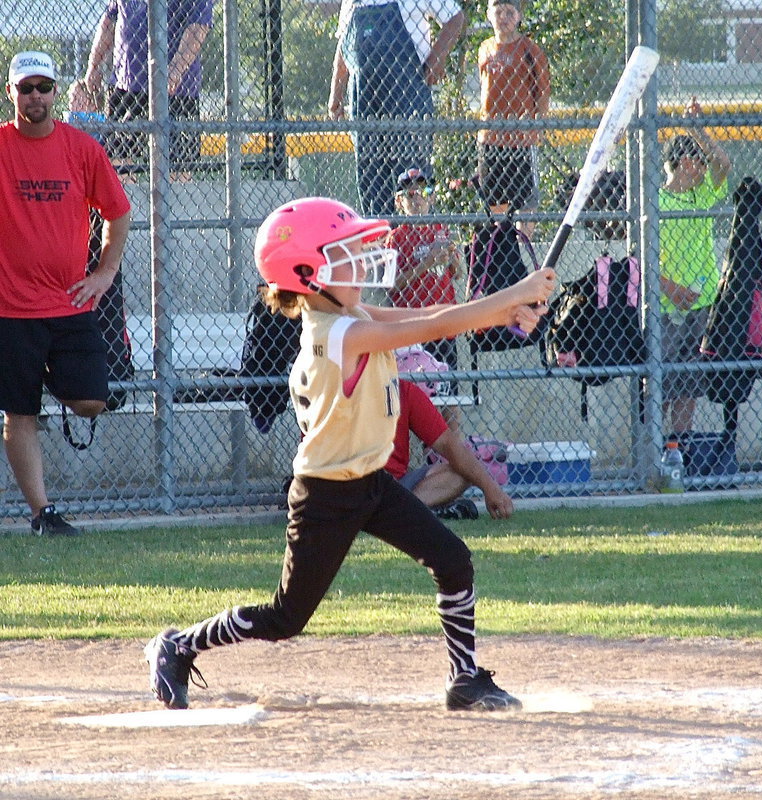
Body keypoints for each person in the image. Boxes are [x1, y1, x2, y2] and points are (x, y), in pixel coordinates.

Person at [144, 195, 555, 712]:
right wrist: (515, 291)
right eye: (343, 256)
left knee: (453, 559)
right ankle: (179, 646)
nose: (360, 263)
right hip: (325, 493)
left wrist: (505, 311)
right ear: (307, 274)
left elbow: (431, 312)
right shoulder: (337, 332)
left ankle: (465, 679)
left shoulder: (351, 314)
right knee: (286, 616)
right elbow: (434, 328)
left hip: (371, 482)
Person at [0, 51, 131, 536]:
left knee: (91, 399)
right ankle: (42, 514)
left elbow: (119, 213)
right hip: (11, 309)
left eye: (44, 87)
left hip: (70, 302)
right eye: (26, 87)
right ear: (11, 93)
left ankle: (48, 376)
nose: (36, 96)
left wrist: (105, 271)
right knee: (20, 412)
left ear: (57, 92)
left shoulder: (81, 148)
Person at [328, 0, 465, 217]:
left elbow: (455, 18)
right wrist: (336, 90)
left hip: (408, 94)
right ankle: (381, 243)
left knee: (412, 175)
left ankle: (419, 244)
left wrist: (436, 60)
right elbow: (344, 43)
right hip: (364, 100)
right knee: (371, 176)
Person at [659, 96, 731, 435]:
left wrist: (698, 130)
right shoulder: (655, 201)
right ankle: (655, 453)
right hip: (664, 306)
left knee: (689, 382)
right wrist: (670, 288)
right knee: (661, 381)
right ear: (686, 162)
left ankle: (681, 445)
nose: (703, 169)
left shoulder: (699, 196)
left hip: (699, 305)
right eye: (698, 161)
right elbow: (640, 259)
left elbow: (723, 164)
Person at [83, 0, 214, 174]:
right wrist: (94, 66)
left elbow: (198, 28)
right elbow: (109, 21)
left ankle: (174, 198)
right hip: (126, 83)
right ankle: (126, 200)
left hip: (177, 91)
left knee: (178, 167)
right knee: (118, 163)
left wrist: (175, 71)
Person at [386, 370, 515, 521]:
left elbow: (449, 444)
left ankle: (402, 510)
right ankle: (405, 512)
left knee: (465, 472)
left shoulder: (403, 391)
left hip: (395, 488)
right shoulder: (352, 396)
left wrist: (490, 487)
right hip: (360, 486)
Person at [477, 0, 550, 237]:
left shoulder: (530, 50)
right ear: (489, 15)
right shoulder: (485, 48)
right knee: (495, 198)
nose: (503, 17)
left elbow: (542, 91)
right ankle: (502, 246)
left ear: (519, 16)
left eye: (509, 12)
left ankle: (523, 247)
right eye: (498, 12)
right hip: (491, 137)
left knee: (525, 200)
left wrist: (537, 126)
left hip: (520, 139)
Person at [387, 167, 464, 375]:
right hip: (412, 327)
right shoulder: (397, 237)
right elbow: (392, 284)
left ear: (431, 199)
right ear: (398, 201)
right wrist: (426, 263)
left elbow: (458, 274)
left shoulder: (440, 228)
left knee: (448, 388)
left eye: (423, 192)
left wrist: (450, 255)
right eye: (410, 194)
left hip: (443, 323)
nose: (417, 199)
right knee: (416, 387)